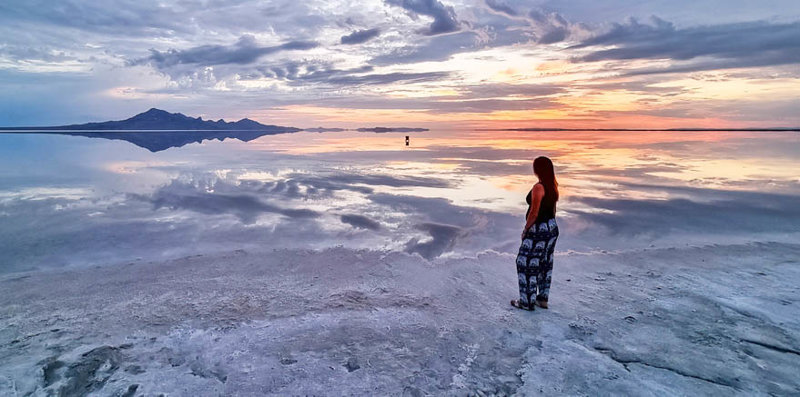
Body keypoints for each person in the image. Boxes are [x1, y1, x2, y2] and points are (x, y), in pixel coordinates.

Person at [511, 156, 559, 311]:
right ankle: (542, 299)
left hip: (539, 229)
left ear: (538, 169)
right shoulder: (553, 185)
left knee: (524, 262)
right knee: (545, 263)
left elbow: (534, 212)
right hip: (552, 227)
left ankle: (527, 302)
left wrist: (526, 229)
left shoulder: (539, 187)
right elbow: (551, 209)